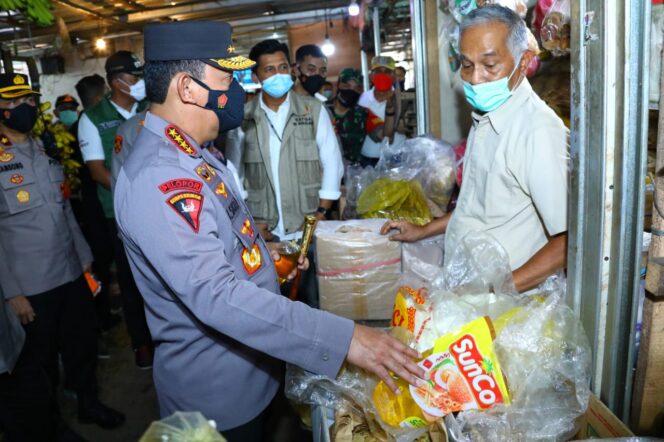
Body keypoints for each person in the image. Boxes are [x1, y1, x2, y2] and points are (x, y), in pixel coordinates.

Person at [114, 22, 424, 442]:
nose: (239, 91)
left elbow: (223, 238)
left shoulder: (195, 153)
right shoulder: (160, 177)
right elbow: (217, 297)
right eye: (226, 80)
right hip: (220, 396)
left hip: (256, 365)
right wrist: (345, 338)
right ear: (188, 88)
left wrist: (269, 256)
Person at [381, 5, 568, 293]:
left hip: (508, 305)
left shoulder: (537, 131)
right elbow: (476, 207)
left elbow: (568, 242)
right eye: (467, 65)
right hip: (471, 291)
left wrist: (495, 290)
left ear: (523, 61)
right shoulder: (486, 117)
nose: (475, 78)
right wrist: (423, 230)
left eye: (490, 65)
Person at [0, 73, 125, 433]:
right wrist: (11, 292)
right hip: (30, 284)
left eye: (27, 101)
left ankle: (88, 403)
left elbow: (66, 211)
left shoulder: (45, 148)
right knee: (40, 364)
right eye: (13, 103)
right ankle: (51, 424)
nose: (23, 108)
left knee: (82, 344)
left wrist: (85, 260)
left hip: (70, 270)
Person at [78, 51, 153, 368]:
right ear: (117, 82)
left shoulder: (152, 109)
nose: (141, 83)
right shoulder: (92, 119)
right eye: (135, 78)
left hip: (159, 208)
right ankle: (142, 344)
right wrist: (133, 198)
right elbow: (97, 171)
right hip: (119, 213)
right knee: (132, 278)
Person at [332, 67, 395, 165]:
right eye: (346, 85)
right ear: (338, 85)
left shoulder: (363, 114)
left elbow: (386, 137)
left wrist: (390, 109)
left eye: (357, 88)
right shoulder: (322, 110)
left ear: (361, 92)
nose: (351, 91)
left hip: (351, 172)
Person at [357, 55, 400, 167]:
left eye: (387, 71)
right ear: (372, 76)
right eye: (378, 71)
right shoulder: (363, 99)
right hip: (369, 157)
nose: (383, 75)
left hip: (397, 154)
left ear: (394, 76)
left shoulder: (402, 98)